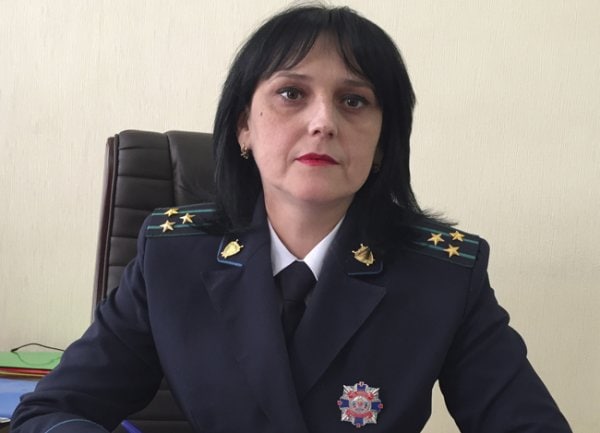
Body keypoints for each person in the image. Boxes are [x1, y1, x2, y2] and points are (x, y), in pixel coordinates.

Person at [11, 5, 571, 433]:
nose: (323, 121)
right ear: (243, 128)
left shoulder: (444, 275)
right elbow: (52, 411)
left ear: (382, 144)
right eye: (291, 93)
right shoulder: (172, 255)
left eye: (354, 100)